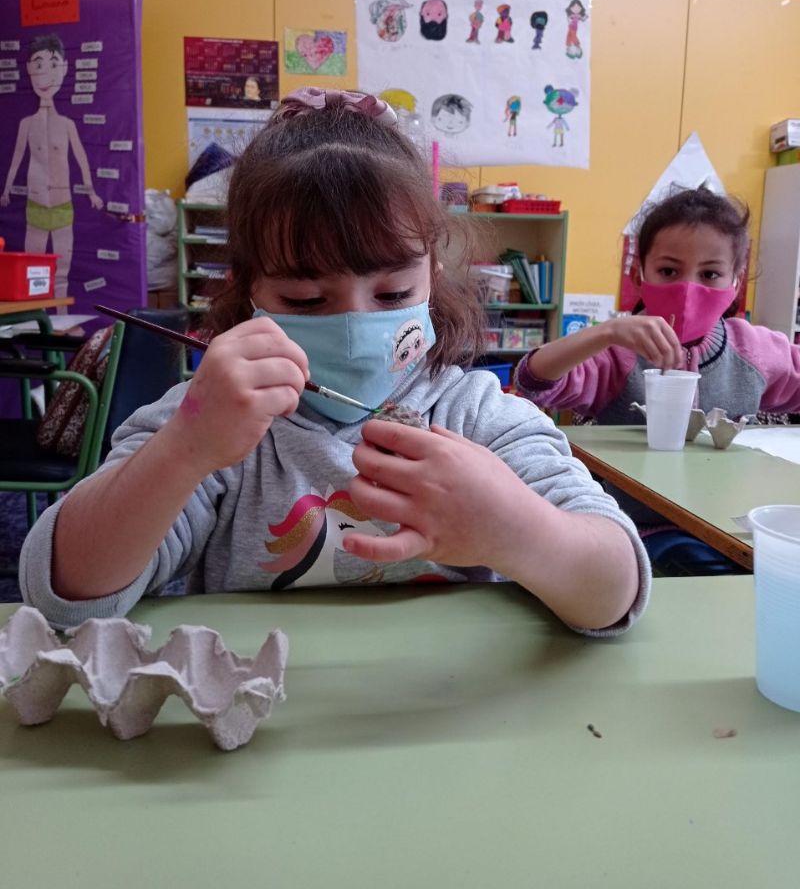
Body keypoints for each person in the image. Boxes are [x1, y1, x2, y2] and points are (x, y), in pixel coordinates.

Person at [20, 88, 649, 636]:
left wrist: (513, 529)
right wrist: (185, 448)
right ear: (248, 292)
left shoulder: (477, 416)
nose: (354, 326)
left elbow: (615, 591)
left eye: (393, 295)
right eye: (305, 300)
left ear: (432, 276)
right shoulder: (212, 421)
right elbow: (65, 593)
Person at [516, 186, 800, 574]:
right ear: (640, 274)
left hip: (731, 530)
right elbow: (533, 380)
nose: (688, 288)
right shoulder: (616, 352)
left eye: (710, 274)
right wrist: (604, 333)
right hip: (637, 531)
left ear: (735, 281)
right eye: (668, 271)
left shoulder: (754, 349)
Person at [1, 34, 104, 311]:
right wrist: (6, 189)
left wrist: (91, 191)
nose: (45, 73)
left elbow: (81, 158)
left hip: (62, 205)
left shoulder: (67, 124)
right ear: (28, 69)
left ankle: (60, 319)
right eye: (38, 65)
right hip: (35, 204)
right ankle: (36, 320)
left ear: (65, 68)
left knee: (62, 271)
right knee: (32, 272)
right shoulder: (26, 123)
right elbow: (17, 158)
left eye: (53, 64)